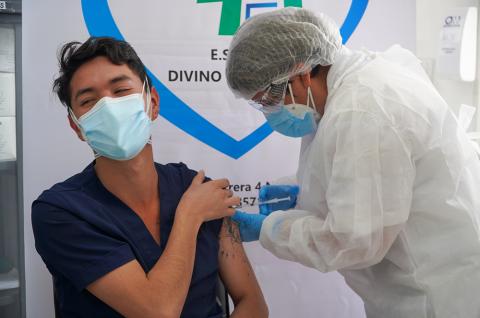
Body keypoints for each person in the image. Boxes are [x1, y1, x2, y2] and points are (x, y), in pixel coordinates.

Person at [226, 7, 480, 318]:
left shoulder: (362, 110)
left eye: (269, 98)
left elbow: (354, 241)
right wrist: (301, 193)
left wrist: (269, 228)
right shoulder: (346, 88)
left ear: (301, 70)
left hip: (434, 297)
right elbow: (355, 172)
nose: (270, 111)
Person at [32, 37, 268, 318]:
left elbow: (252, 303)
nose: (108, 108)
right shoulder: (60, 212)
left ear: (152, 102)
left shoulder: (198, 189)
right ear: (77, 125)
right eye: (88, 101)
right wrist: (189, 216)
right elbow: (157, 312)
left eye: (121, 90)